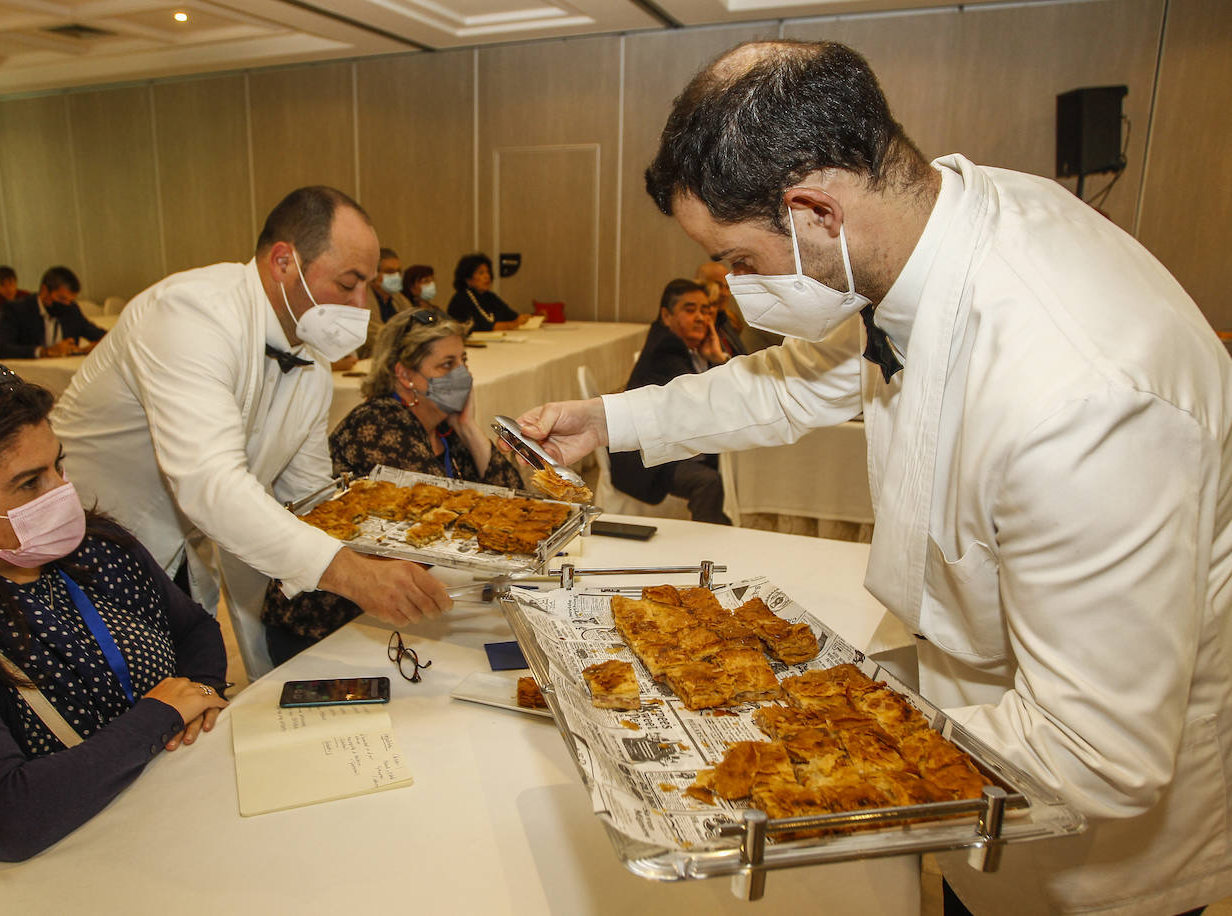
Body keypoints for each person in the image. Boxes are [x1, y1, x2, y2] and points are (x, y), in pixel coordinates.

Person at [513, 40, 1232, 916]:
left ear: (817, 209)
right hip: (969, 749)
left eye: (740, 261)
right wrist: (617, 419)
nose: (735, 289)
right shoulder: (931, 229)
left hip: (1089, 860)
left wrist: (798, 763)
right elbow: (812, 374)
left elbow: (1096, 748)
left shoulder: (1084, 400)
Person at [48, 186, 450, 673]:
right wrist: (350, 574)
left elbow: (312, 497)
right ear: (284, 260)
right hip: (88, 553)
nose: (361, 303)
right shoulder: (189, 314)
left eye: (366, 285)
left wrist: (402, 551)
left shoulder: (312, 365)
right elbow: (209, 482)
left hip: (185, 554)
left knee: (194, 696)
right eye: (348, 283)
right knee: (130, 712)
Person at [0, 369, 229, 862]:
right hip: (68, 858)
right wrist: (159, 717)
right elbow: (3, 818)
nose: (61, 493)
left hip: (177, 802)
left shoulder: (98, 548)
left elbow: (195, 629)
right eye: (29, 483)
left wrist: (197, 698)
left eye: (58, 466)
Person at [262, 307, 521, 665]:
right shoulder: (380, 423)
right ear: (404, 374)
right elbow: (458, 529)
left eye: (463, 361)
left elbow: (514, 504)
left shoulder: (444, 427)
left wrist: (471, 429)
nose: (462, 375)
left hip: (390, 613)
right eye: (446, 365)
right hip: (330, 625)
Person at [609, 279, 731, 524]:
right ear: (666, 316)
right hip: (646, 457)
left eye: (706, 311)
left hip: (664, 444)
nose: (700, 317)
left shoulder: (689, 346)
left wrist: (716, 358)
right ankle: (709, 545)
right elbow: (703, 406)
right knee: (708, 480)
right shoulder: (667, 349)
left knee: (723, 465)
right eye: (690, 309)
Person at [0, 266, 106, 360]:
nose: (66, 304)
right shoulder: (16, 310)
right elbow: (1, 349)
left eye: (70, 300)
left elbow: (95, 333)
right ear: (44, 290)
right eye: (61, 298)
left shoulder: (72, 310)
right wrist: (45, 352)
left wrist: (97, 345)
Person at [447, 253, 522, 332]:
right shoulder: (461, 299)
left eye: (488, 272)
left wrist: (522, 319)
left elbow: (512, 316)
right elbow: (481, 327)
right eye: (481, 273)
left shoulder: (490, 297)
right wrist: (512, 324)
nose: (487, 276)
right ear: (468, 279)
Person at [695, 259, 756, 354]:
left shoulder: (729, 321)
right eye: (719, 286)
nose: (725, 293)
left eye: (727, 287)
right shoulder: (696, 325)